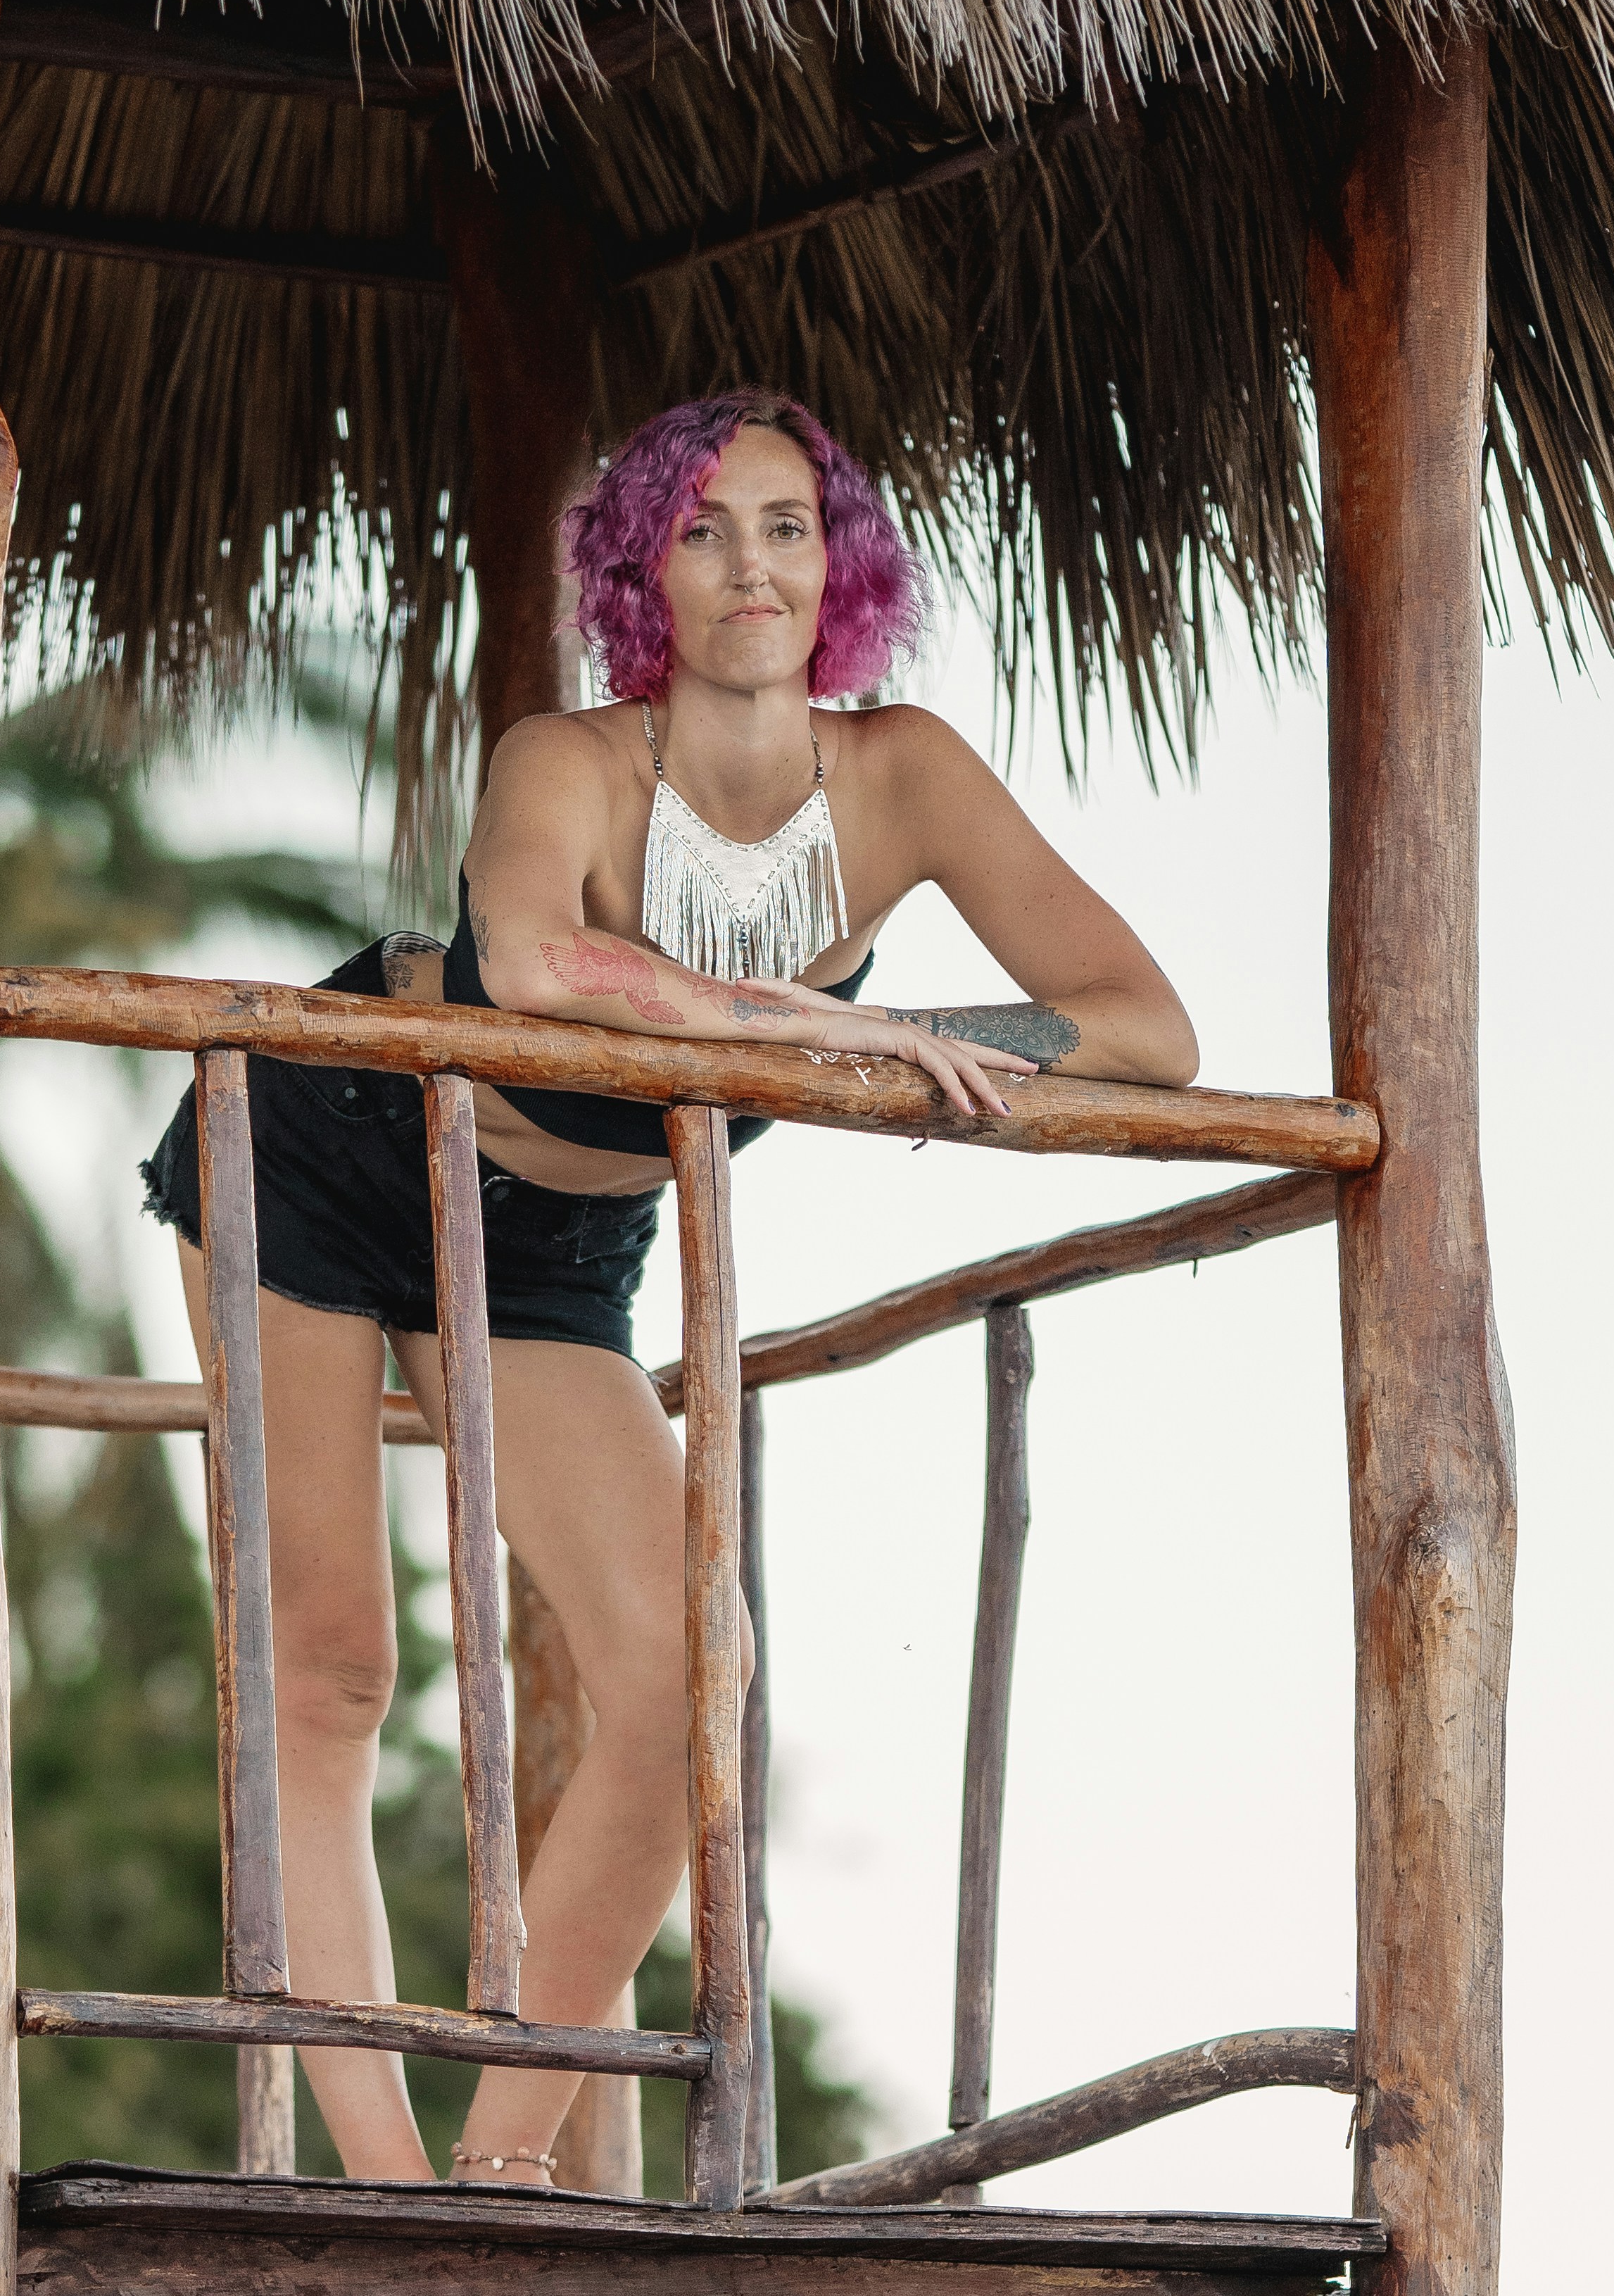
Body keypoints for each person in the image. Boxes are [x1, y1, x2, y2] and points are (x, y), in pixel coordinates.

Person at [141, 388, 1198, 2185]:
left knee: (686, 1673)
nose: (749, 565)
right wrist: (806, 1022)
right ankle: (379, 2178)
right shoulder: (566, 756)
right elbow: (542, 967)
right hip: (329, 1142)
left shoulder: (907, 775)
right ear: (644, 568)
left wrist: (908, 1040)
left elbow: (1147, 1033)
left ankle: (498, 2168)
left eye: (785, 525)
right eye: (702, 529)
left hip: (560, 1242)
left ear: (837, 560)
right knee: (326, 1669)